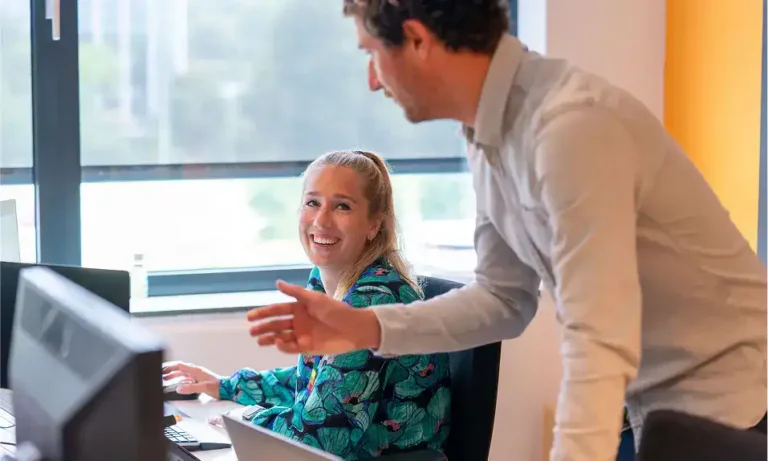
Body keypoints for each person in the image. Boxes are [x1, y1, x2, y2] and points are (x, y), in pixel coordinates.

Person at [246, 1, 768, 461]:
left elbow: (600, 337)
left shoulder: (569, 128)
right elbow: (503, 299)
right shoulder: (487, 134)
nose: (372, 79)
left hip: (735, 404)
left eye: (371, 54)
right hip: (656, 406)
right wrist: (366, 328)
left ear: (419, 40)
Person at [163, 150, 451, 460]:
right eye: (313, 202)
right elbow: (321, 383)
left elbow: (321, 438)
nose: (321, 220)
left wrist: (246, 419)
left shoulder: (373, 301)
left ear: (373, 225)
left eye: (342, 206)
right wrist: (227, 386)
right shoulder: (326, 281)